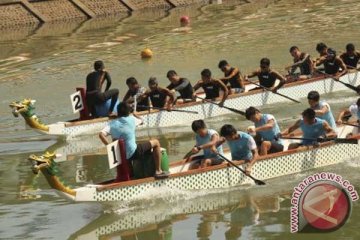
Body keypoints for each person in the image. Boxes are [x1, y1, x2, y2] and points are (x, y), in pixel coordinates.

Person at [99, 102, 168, 179]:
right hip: (134, 153)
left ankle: (131, 176)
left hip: (120, 156)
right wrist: (135, 114)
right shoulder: (132, 119)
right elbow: (142, 121)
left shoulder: (111, 124)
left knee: (129, 150)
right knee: (156, 142)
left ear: (118, 112)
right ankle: (158, 171)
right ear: (128, 112)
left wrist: (110, 146)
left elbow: (101, 135)